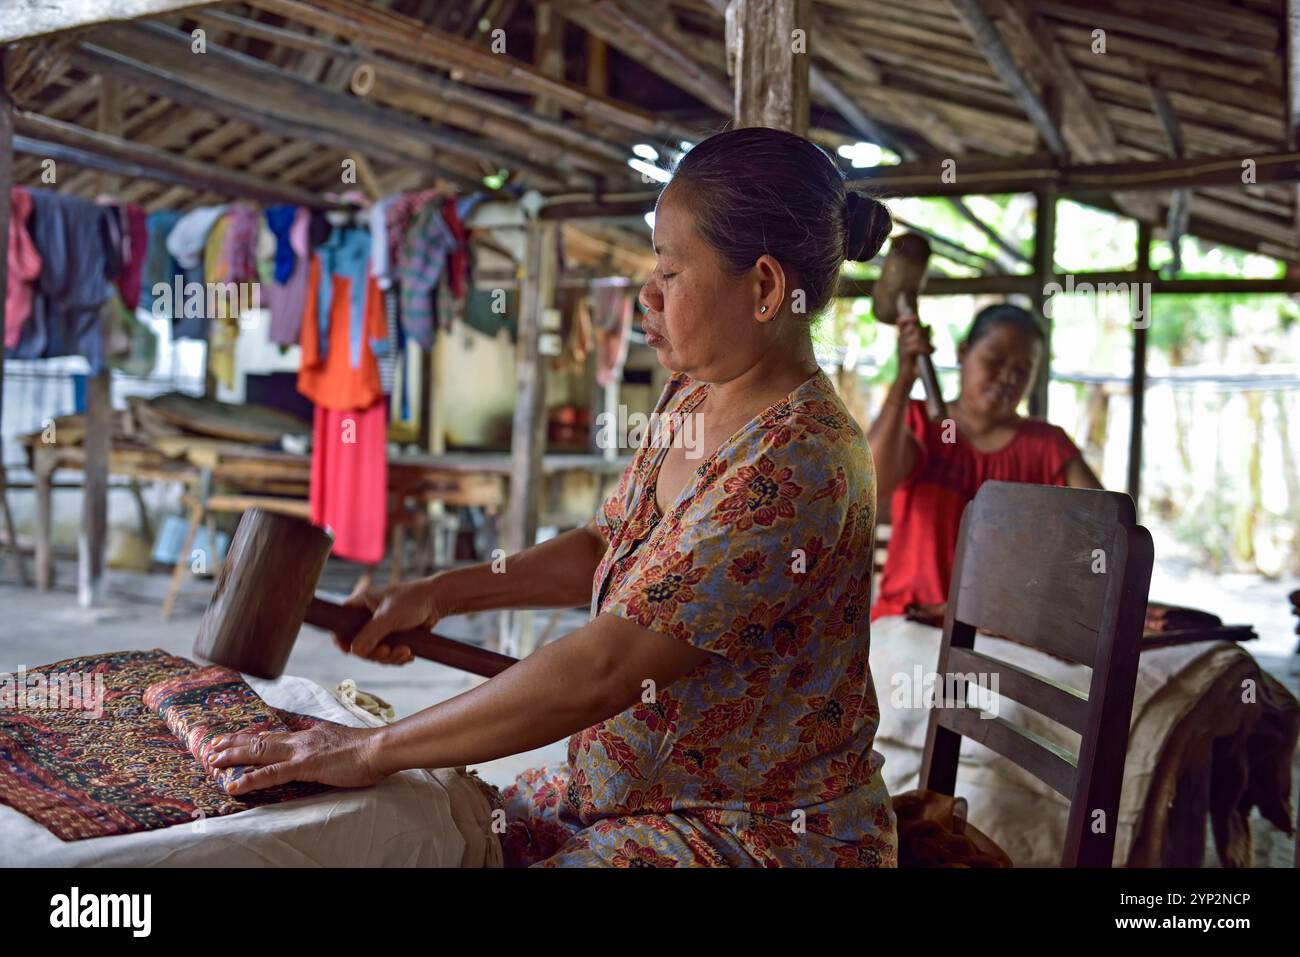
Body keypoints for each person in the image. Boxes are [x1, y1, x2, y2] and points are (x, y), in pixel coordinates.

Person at [210, 127, 899, 867]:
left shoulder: (798, 459)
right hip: (622, 794)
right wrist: (442, 593)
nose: (647, 292)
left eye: (669, 271)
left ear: (764, 287)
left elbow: (604, 667)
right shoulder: (695, 394)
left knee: (392, 798)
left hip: (747, 828)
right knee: (392, 827)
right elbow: (606, 545)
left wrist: (374, 747)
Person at [868, 303, 1102, 623]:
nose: (1007, 377)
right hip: (910, 621)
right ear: (963, 352)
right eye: (995, 360)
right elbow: (871, 482)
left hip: (1002, 633)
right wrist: (903, 380)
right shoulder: (920, 422)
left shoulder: (1047, 446)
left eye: (1022, 370)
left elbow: (1106, 529)